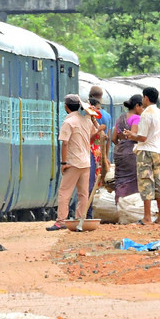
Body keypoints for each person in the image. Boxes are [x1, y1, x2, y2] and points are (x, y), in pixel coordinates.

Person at [48, 94, 98, 231]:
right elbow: (95, 132)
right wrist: (92, 116)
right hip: (86, 162)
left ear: (66, 107)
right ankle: (80, 220)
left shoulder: (68, 122)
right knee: (83, 194)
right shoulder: (86, 121)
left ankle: (61, 221)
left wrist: (64, 163)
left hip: (73, 162)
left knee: (65, 192)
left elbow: (65, 143)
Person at [123, 87, 160, 224]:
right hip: (158, 151)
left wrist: (131, 135)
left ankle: (147, 217)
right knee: (158, 183)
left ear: (146, 98)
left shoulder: (146, 113)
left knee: (145, 182)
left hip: (146, 151)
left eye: (143, 98)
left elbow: (142, 137)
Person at [111, 95, 143, 203]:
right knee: (133, 180)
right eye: (142, 107)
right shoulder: (137, 118)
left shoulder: (120, 118)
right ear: (137, 106)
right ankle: (130, 206)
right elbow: (132, 135)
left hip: (119, 152)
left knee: (120, 180)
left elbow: (113, 138)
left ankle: (119, 203)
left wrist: (121, 146)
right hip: (131, 152)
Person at [86, 85, 112, 198]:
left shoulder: (88, 114)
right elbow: (109, 138)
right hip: (100, 153)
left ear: (90, 96)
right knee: (98, 182)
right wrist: (106, 156)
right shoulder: (107, 116)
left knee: (89, 183)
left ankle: (88, 209)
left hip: (89, 152)